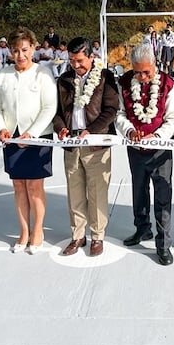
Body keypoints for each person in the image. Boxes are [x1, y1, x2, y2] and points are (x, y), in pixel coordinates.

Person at [0, 28, 57, 254]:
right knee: (18, 185)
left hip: (38, 138)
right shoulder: (4, 75)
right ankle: (24, 231)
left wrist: (33, 134)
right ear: (10, 51)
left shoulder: (43, 73)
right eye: (16, 50)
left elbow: (49, 107)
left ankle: (38, 230)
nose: (20, 55)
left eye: (25, 50)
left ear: (34, 48)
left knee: (35, 186)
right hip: (11, 137)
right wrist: (1, 129)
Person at [52, 37, 120, 257]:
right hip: (71, 145)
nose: (76, 65)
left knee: (97, 191)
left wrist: (91, 131)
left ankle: (97, 236)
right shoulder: (63, 80)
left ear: (92, 56)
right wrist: (61, 128)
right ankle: (78, 236)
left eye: (80, 60)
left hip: (96, 144)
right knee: (75, 192)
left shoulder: (105, 77)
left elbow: (111, 109)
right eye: (72, 60)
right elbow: (57, 112)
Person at [116, 44, 174, 265]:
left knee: (162, 196)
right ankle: (142, 229)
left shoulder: (169, 84)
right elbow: (120, 114)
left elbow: (173, 118)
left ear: (155, 65)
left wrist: (157, 136)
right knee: (139, 191)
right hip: (135, 149)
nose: (142, 77)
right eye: (137, 72)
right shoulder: (124, 83)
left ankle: (163, 244)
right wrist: (129, 130)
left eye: (147, 72)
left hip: (160, 149)